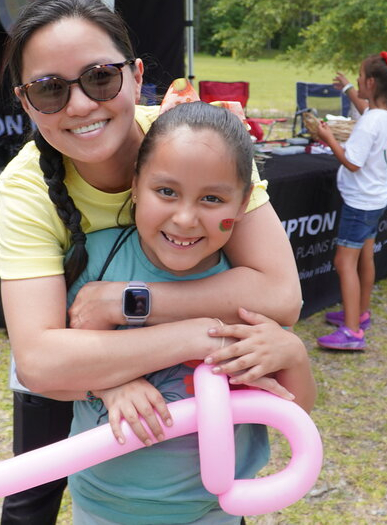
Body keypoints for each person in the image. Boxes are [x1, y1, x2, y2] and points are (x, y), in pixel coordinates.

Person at [0, 0, 301, 523]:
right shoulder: (26, 187)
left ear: (135, 75)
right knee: (34, 490)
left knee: (210, 480)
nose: (82, 104)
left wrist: (126, 301)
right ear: (25, 102)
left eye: (100, 77)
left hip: (179, 408)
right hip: (83, 381)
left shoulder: (202, 144)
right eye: (50, 90)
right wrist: (191, 338)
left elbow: (279, 295)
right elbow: (41, 361)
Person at [39, 100, 315, 523]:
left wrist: (293, 354)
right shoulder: (98, 262)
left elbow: (293, 408)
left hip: (212, 510)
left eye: (212, 198)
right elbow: (51, 371)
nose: (185, 218)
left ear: (243, 207)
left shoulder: (245, 293)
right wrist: (112, 386)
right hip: (101, 505)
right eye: (166, 192)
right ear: (135, 186)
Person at [309, 48, 387, 351]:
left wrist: (328, 139)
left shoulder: (368, 123)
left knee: (344, 262)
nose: (357, 79)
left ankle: (352, 331)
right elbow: (366, 110)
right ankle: (360, 313)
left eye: (360, 77)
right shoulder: (384, 114)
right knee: (366, 257)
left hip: (359, 203)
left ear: (371, 84)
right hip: (376, 199)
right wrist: (350, 90)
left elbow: (352, 162)